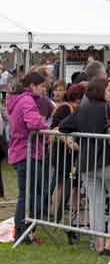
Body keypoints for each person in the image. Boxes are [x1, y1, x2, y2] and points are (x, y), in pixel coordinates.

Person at [58, 77, 110, 255]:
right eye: (109, 90)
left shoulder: (81, 110)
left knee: (96, 205)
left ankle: (99, 243)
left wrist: (75, 137)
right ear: (100, 92)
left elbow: (63, 127)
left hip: (88, 164)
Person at [7, 71, 51, 244]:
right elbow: (33, 123)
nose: (43, 90)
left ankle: (25, 231)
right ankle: (22, 232)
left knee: (27, 194)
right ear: (32, 86)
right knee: (29, 195)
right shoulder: (27, 100)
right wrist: (43, 124)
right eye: (42, 87)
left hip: (22, 151)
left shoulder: (17, 99)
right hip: (27, 152)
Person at [48, 83, 86, 244]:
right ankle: (56, 215)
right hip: (63, 152)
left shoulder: (80, 110)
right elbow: (56, 128)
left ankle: (71, 222)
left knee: (75, 186)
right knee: (62, 183)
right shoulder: (64, 108)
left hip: (75, 153)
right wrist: (69, 142)